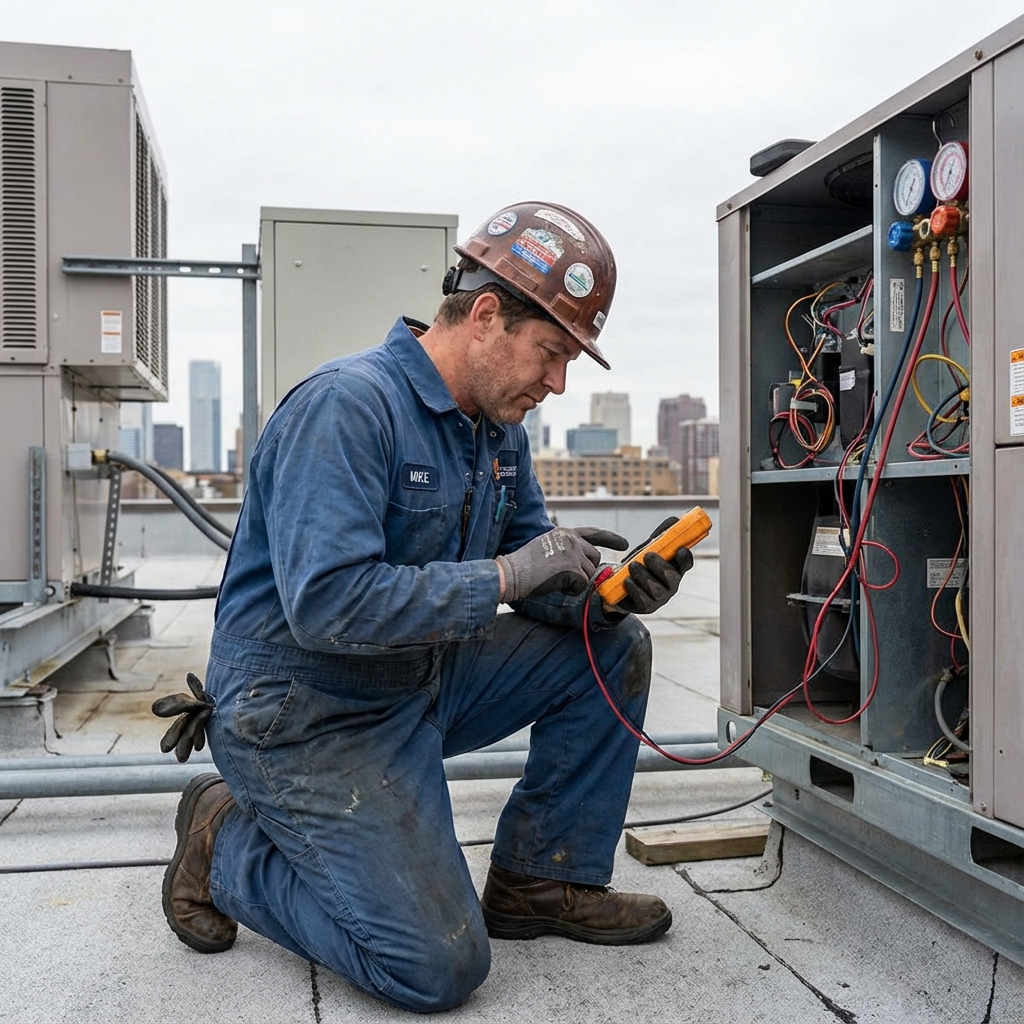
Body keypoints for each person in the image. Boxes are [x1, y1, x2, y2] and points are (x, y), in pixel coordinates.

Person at [158, 202, 695, 1013]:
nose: (556, 383)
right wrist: (513, 575)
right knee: (434, 970)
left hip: (417, 681)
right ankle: (223, 838)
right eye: (550, 353)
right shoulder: (347, 407)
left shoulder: (495, 432)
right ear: (486, 317)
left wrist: (607, 599)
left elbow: (533, 578)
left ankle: (541, 882)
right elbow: (328, 604)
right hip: (305, 714)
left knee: (611, 651)